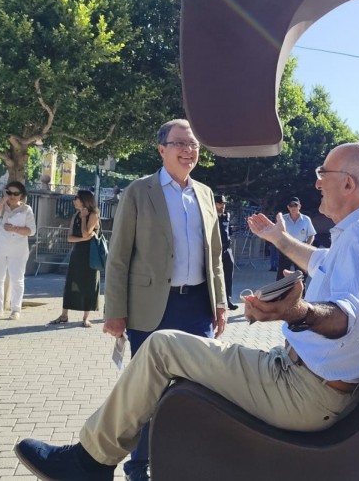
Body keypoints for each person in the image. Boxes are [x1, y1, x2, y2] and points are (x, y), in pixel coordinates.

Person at [13, 142, 359, 481]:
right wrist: (280, 239)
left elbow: (346, 317)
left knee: (162, 347)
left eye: (323, 172)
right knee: (171, 351)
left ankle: (90, 462)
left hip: (304, 393)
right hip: (308, 382)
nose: (316, 181)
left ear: (348, 183)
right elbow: (321, 261)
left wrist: (295, 311)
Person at [100, 119, 228, 481]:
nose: (189, 151)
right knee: (147, 394)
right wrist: (115, 312)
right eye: (181, 144)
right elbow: (119, 256)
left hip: (197, 308)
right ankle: (138, 465)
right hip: (150, 309)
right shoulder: (140, 191)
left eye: (195, 145)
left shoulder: (204, 193)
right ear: (161, 149)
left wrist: (220, 304)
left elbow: (214, 255)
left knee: (195, 390)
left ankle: (185, 459)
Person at [49, 190, 101, 328]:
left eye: (76, 198)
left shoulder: (94, 214)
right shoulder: (75, 215)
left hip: (90, 255)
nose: (74, 200)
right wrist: (83, 238)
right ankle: (64, 315)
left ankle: (86, 318)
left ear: (84, 200)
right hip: (77, 253)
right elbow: (70, 237)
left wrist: (84, 218)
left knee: (89, 284)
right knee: (70, 283)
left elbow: (86, 232)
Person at [0, 181, 36, 320]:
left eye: (16, 193)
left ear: (22, 195)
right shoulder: (1, 206)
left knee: (17, 279)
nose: (12, 196)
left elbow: (32, 231)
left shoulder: (26, 209)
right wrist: (3, 199)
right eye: (9, 192)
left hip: (18, 250)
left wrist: (15, 229)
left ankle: (16, 309)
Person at [276, 196, 316, 280]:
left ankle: (301, 292)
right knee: (282, 274)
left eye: (295, 205)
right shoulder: (283, 219)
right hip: (286, 247)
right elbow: (277, 233)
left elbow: (311, 234)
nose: (293, 208)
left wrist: (307, 247)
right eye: (291, 205)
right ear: (288, 207)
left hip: (301, 248)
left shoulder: (306, 219)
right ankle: (282, 292)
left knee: (301, 275)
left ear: (299, 206)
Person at [214, 194, 239, 310]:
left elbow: (228, 231)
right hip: (214, 250)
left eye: (223, 204)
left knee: (228, 274)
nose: (222, 206)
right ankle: (214, 301)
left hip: (226, 249)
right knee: (214, 276)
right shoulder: (210, 216)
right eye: (220, 203)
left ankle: (227, 299)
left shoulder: (226, 216)